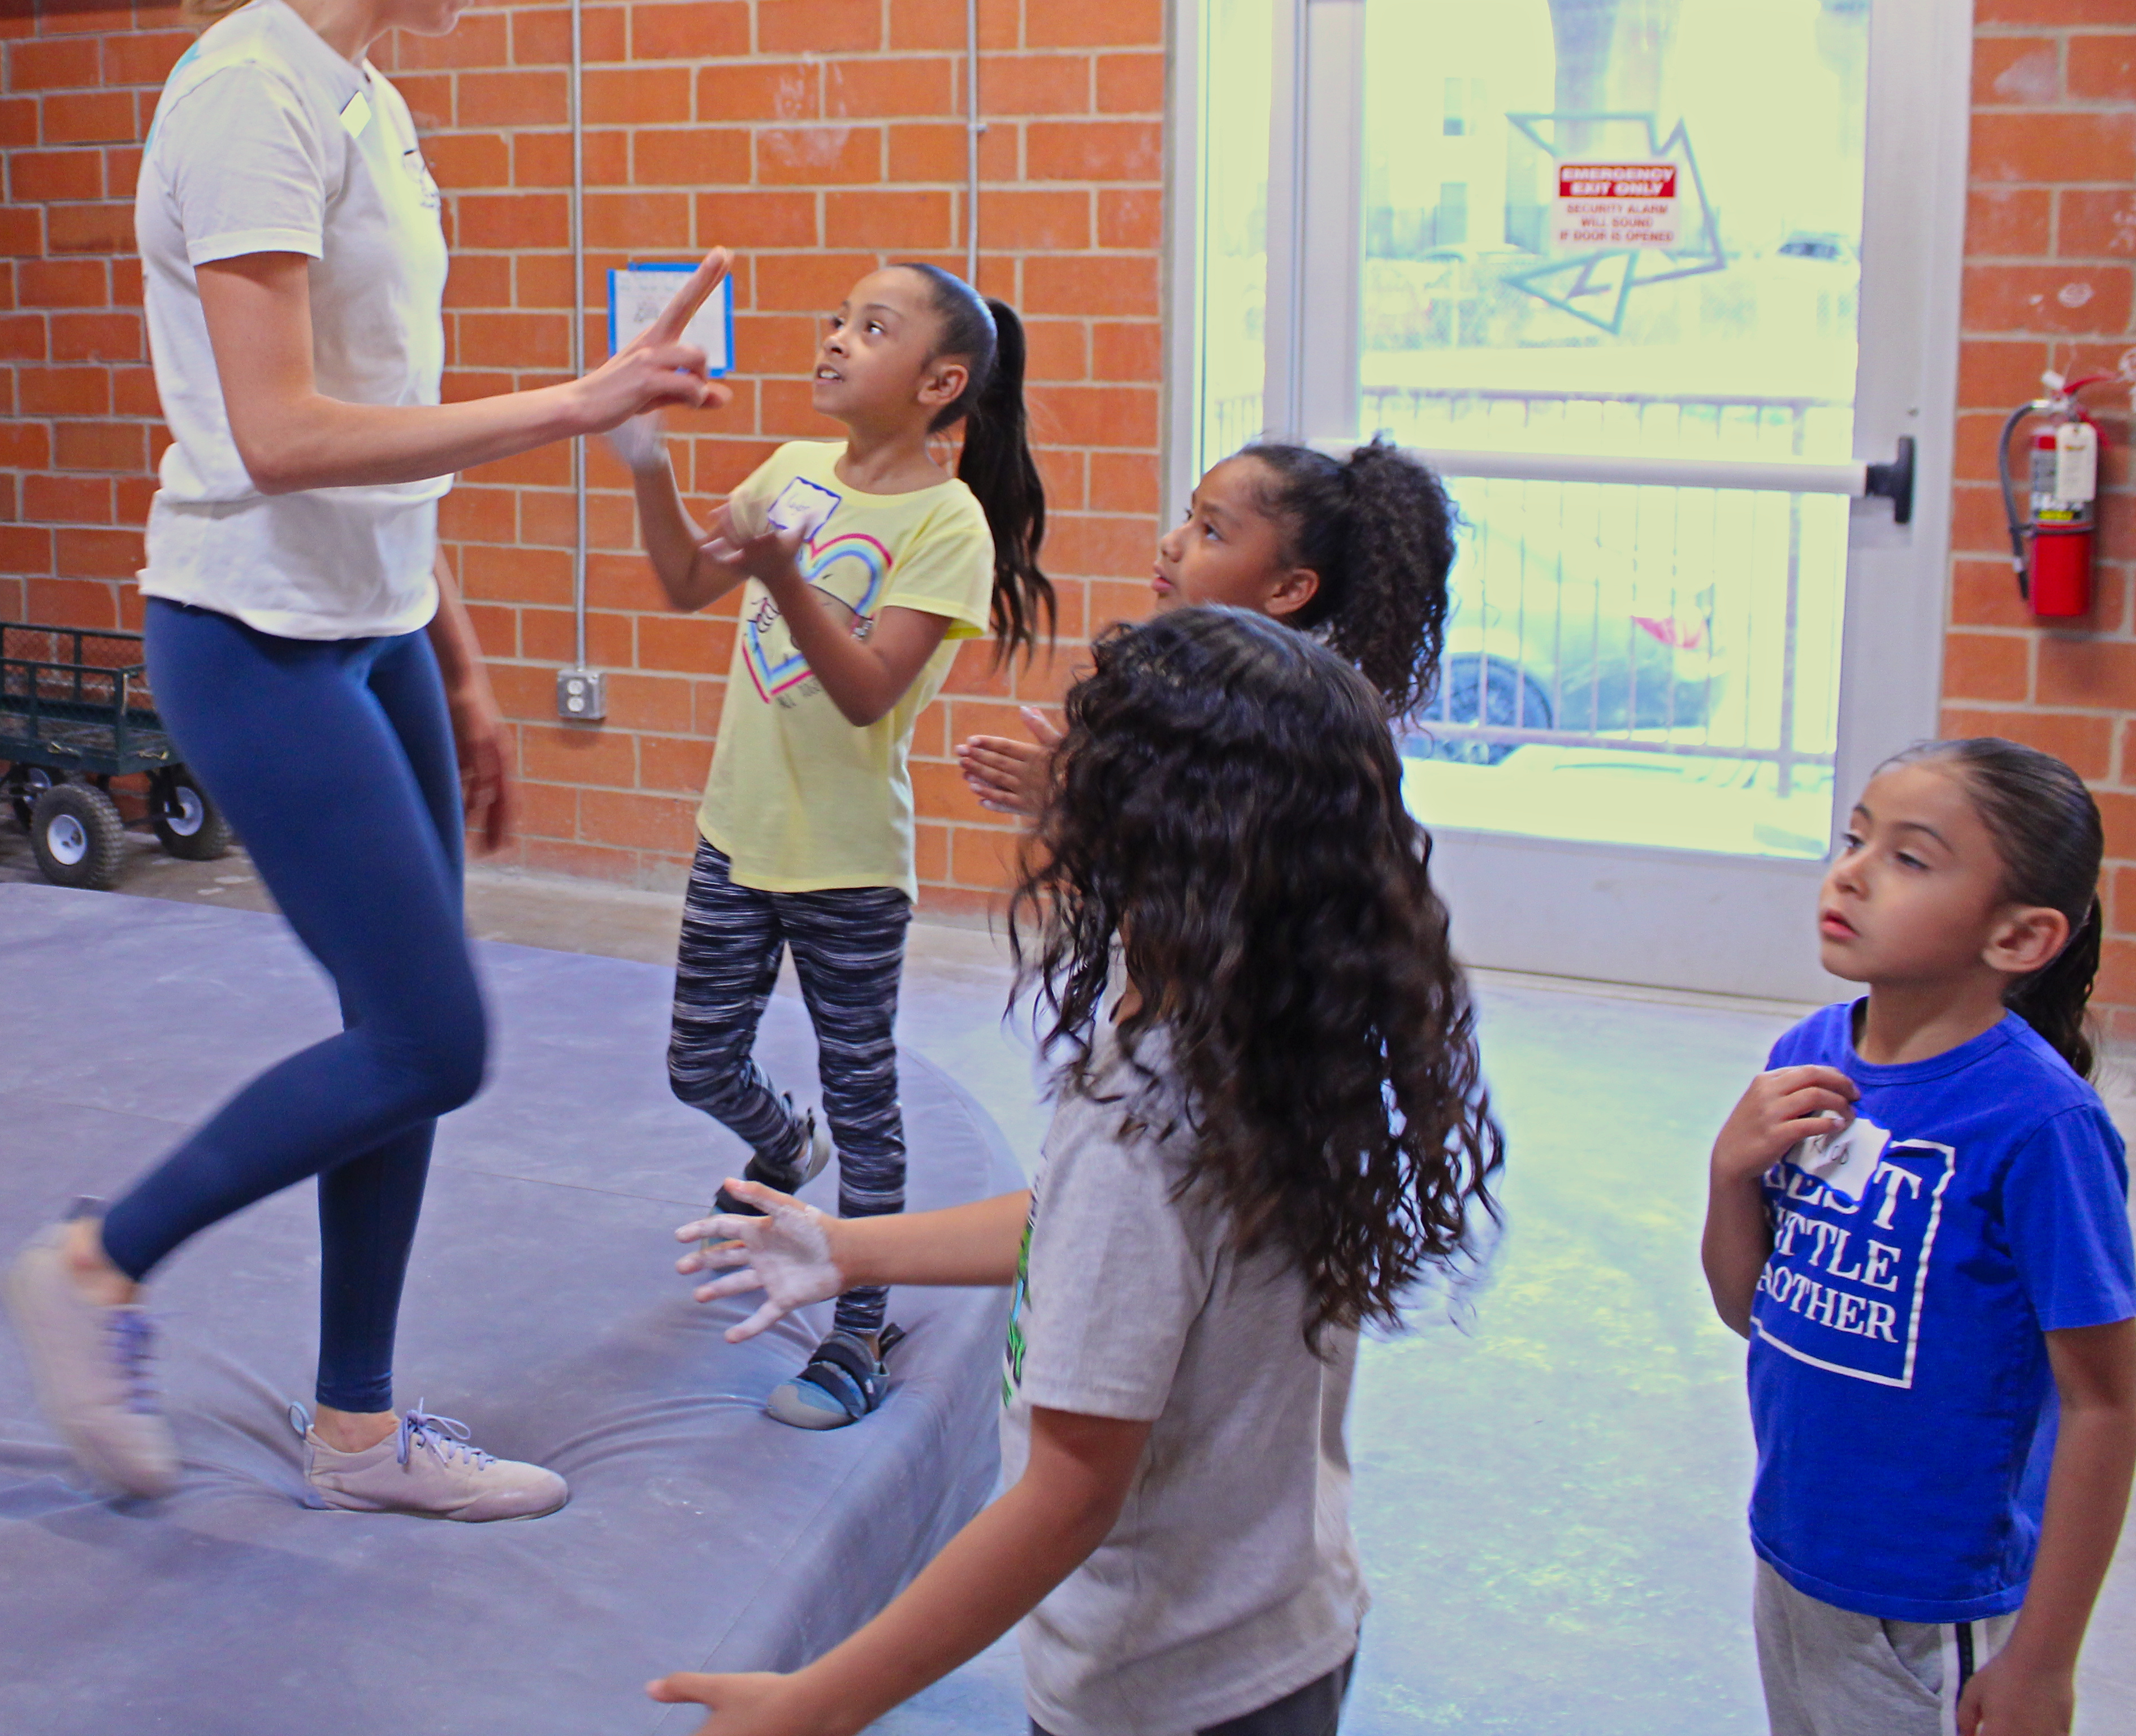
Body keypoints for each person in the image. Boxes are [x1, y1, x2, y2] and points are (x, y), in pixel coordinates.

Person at [0, 0, 734, 1520]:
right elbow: (282, 436)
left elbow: (378, 406)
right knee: (430, 1038)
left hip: (375, 622)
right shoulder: (245, 96)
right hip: (251, 631)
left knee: (391, 1033)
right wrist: (570, 406)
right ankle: (94, 1264)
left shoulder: (366, 102)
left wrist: (457, 658)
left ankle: (354, 1429)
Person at [650, 607, 1505, 1734]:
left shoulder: (1148, 1122)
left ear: (1153, 823)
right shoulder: (1262, 1020)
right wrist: (852, 1247)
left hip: (1171, 1688)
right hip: (1286, 1629)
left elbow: (1068, 1498)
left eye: (1084, 752)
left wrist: (814, 1700)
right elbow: (1094, 1239)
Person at [605, 262, 1053, 1429]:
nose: (838, 338)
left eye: (873, 326)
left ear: (940, 381)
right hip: (736, 832)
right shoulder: (794, 472)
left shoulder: (949, 524)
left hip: (849, 862)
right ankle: (777, 1144)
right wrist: (648, 464)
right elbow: (683, 580)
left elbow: (864, 691)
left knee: (867, 1096)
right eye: (839, 319)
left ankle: (858, 1327)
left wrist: (787, 578)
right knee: (698, 1062)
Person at [1700, 738, 2136, 1736]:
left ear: (2022, 939)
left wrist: (2043, 1662)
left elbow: (2103, 1404)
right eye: (1856, 838)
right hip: (1797, 1556)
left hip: (1933, 1603)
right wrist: (1731, 1175)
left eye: (1909, 858)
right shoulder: (1807, 1058)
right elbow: (1754, 1314)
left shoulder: (2041, 1126)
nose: (1850, 872)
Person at [956, 436, 1453, 812]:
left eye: (1211, 532)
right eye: (1189, 516)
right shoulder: (1179, 687)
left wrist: (1074, 805)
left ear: (1287, 590)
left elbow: (1200, 876)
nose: (1172, 542)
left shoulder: (1280, 719)